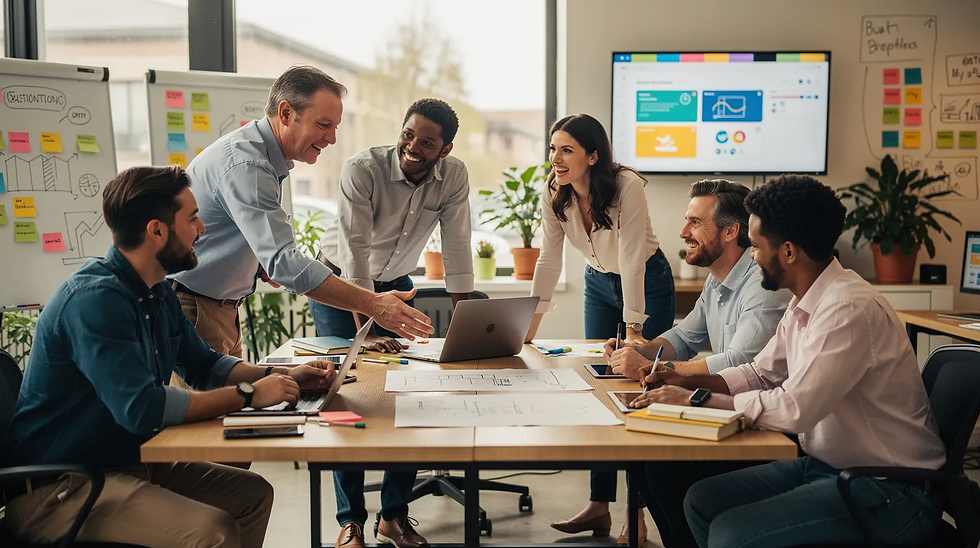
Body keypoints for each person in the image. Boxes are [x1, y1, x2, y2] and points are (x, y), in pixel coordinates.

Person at [2, 166, 341, 547]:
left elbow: (204, 364)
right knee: (213, 532)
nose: (202, 229)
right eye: (192, 218)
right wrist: (248, 395)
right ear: (157, 231)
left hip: (126, 464)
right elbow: (142, 408)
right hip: (61, 489)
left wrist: (281, 375)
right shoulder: (95, 301)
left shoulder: (157, 291)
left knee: (252, 496)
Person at [637, 175, 945, 547]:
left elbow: (797, 408)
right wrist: (685, 381)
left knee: (733, 532)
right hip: (828, 467)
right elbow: (760, 372)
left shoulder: (846, 308)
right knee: (701, 502)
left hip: (889, 490)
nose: (751, 256)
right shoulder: (805, 301)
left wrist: (697, 400)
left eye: (756, 246)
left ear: (788, 252)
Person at [169, 64, 432, 360]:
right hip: (194, 307)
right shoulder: (249, 165)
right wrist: (373, 304)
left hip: (214, 307)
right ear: (285, 113)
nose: (331, 139)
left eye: (335, 127)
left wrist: (256, 263)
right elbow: (284, 263)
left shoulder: (262, 158)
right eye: (323, 125)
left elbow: (242, 237)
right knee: (216, 393)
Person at [583, 180, 790, 547]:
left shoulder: (761, 284)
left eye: (695, 222)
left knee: (663, 469)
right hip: (729, 410)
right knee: (644, 463)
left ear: (730, 231)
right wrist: (640, 350)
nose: (682, 233)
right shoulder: (717, 280)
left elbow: (741, 361)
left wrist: (652, 370)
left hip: (764, 428)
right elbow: (683, 339)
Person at [311, 98, 471, 548]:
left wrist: (466, 320)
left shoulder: (453, 175)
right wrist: (367, 327)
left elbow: (457, 245)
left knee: (409, 396)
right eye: (408, 134)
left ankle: (393, 517)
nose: (413, 147)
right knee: (346, 394)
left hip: (396, 282)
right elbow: (355, 254)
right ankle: (350, 521)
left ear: (445, 149)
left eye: (427, 142)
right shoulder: (362, 169)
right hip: (341, 283)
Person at [532, 114, 675, 544]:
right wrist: (528, 325)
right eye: (553, 148)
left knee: (636, 389)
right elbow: (549, 258)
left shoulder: (627, 186)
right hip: (598, 282)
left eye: (567, 150)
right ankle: (599, 505)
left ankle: (638, 511)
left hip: (647, 281)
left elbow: (631, 258)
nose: (556, 158)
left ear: (593, 156)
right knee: (596, 383)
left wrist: (633, 332)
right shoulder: (553, 192)